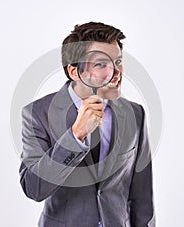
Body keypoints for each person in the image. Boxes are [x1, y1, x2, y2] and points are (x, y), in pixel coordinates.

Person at [19, 22, 155, 227]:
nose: (116, 72)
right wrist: (75, 136)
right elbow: (34, 188)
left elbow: (142, 195)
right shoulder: (37, 114)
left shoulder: (135, 114)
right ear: (74, 72)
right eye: (101, 64)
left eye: (118, 61)